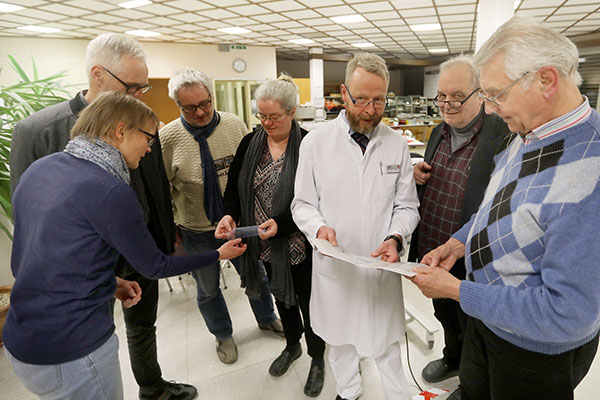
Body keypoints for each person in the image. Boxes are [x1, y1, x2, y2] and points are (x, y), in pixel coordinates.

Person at [3, 91, 246, 400]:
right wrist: (218, 253)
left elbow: (40, 259)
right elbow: (155, 266)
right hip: (74, 350)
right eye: (148, 138)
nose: (149, 149)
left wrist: (110, 281)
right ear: (120, 131)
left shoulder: (41, 169)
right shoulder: (108, 188)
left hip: (22, 343)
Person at [410, 16, 600, 400]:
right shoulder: (530, 131)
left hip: (533, 350)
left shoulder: (590, 173)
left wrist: (458, 291)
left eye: (497, 94)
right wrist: (460, 242)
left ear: (546, 80)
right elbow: (499, 203)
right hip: (489, 320)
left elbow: (568, 313)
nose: (492, 110)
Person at [9, 32, 197, 400]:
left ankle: (152, 386)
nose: (140, 95)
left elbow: (156, 186)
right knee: (92, 355)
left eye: (143, 87)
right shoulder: (38, 132)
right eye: (133, 86)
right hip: (82, 270)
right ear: (98, 75)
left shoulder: (142, 121)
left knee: (143, 326)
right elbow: (29, 214)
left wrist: (167, 232)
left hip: (140, 250)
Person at [291, 53, 420, 400]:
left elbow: (407, 206)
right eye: (361, 98)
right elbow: (302, 204)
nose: (369, 109)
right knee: (340, 342)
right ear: (344, 93)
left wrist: (395, 237)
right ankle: (348, 392)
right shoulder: (315, 143)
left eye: (378, 100)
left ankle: (398, 396)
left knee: (387, 347)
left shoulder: (395, 144)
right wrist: (318, 229)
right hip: (337, 266)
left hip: (381, 266)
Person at [159, 68, 283, 365]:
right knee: (208, 289)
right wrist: (171, 228)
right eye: (190, 107)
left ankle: (267, 317)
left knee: (257, 276)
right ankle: (223, 335)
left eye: (205, 103)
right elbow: (163, 188)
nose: (200, 112)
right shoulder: (168, 138)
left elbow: (252, 167)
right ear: (178, 105)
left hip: (240, 223)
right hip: (197, 229)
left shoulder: (233, 124)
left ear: (212, 97)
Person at [215, 74, 326, 397]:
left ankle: (317, 357)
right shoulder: (251, 143)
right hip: (263, 244)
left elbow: (318, 201)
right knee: (282, 298)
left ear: (292, 112)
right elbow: (235, 188)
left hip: (299, 243)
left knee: (310, 303)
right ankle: (292, 345)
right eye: (261, 115)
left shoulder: (308, 146)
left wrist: (284, 224)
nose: (266, 122)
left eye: (274, 116)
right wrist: (228, 214)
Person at [407, 55, 509, 390]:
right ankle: (452, 357)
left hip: (473, 253)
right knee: (444, 313)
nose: (447, 104)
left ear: (481, 94)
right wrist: (416, 175)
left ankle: (471, 377)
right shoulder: (438, 132)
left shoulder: (503, 135)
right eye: (441, 96)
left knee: (472, 323)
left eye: (457, 96)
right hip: (435, 246)